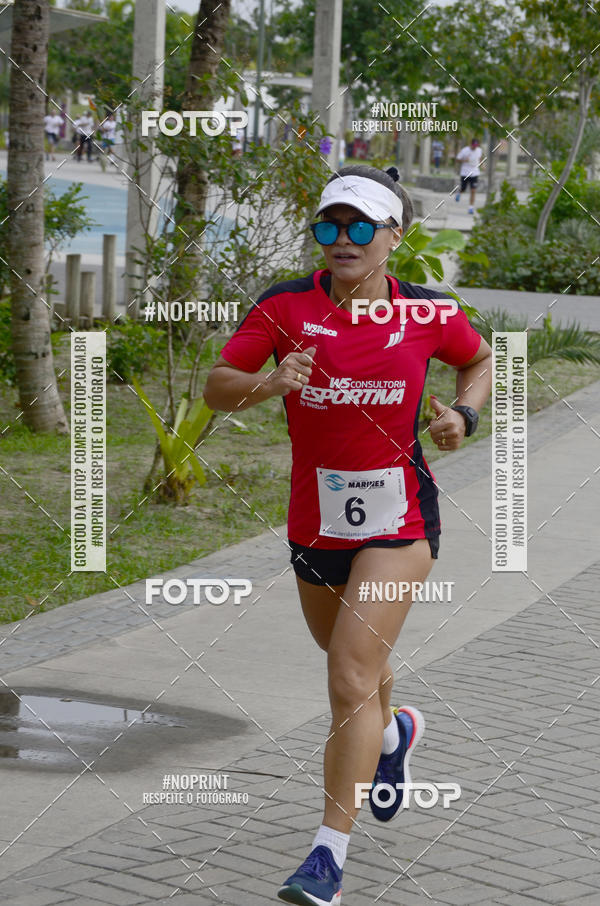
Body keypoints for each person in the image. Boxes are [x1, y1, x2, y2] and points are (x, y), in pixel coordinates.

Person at [203, 164, 492, 906]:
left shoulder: (428, 313)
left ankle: (327, 856)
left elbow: (481, 358)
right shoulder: (284, 308)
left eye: (360, 226)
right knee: (352, 664)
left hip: (401, 520)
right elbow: (216, 390)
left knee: (348, 676)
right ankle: (394, 736)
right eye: (329, 225)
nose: (342, 239)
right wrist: (270, 382)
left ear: (394, 236)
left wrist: (465, 414)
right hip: (317, 522)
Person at [455, 137, 483, 213]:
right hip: (465, 172)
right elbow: (457, 159)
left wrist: (482, 165)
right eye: (474, 145)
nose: (475, 147)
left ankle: (471, 207)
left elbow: (479, 158)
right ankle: (459, 192)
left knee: (473, 190)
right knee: (463, 189)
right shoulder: (465, 150)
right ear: (471, 144)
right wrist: (464, 160)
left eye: (476, 145)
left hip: (475, 173)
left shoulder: (479, 150)